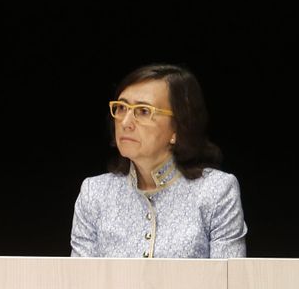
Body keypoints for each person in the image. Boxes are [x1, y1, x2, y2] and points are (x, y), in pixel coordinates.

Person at [70, 63, 244, 258]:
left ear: (178, 127)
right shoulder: (95, 193)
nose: (126, 122)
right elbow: (80, 285)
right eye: (121, 108)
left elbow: (230, 284)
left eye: (143, 111)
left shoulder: (216, 191)